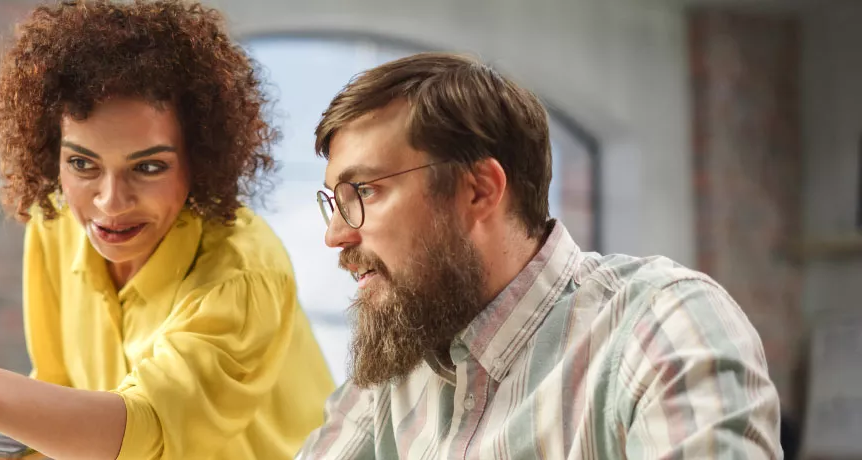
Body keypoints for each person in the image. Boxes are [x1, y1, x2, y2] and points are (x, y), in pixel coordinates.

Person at [0, 1, 336, 459]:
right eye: (82, 163)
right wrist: (17, 441)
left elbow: (146, 431)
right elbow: (61, 386)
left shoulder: (241, 276)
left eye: (149, 166)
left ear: (199, 161)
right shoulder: (56, 221)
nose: (110, 202)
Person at [297, 53, 782, 459]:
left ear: (480, 191)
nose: (336, 235)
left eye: (364, 191)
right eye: (334, 202)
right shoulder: (397, 365)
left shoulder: (662, 327)